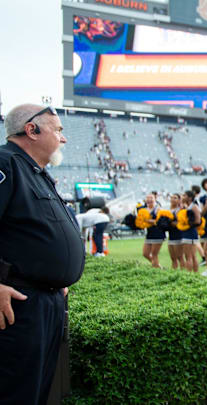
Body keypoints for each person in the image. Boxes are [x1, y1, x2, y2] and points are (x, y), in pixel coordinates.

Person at [0, 104, 85, 404]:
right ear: (31, 129)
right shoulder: (6, 163)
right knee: (16, 393)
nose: (63, 139)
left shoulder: (36, 172)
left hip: (44, 302)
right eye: (58, 130)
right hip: (19, 305)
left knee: (36, 392)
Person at [137, 193, 164, 268]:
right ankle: (158, 267)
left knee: (154, 254)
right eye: (147, 198)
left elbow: (158, 221)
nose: (149, 200)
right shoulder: (144, 209)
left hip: (157, 233)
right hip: (149, 233)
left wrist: (146, 220)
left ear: (155, 199)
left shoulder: (158, 209)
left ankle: (156, 269)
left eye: (151, 198)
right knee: (145, 253)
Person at [167, 193, 185, 269]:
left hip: (178, 234)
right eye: (171, 198)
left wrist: (170, 222)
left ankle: (183, 274)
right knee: (173, 258)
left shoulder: (180, 209)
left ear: (179, 200)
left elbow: (180, 222)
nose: (172, 199)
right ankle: (173, 274)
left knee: (180, 257)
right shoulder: (169, 210)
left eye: (175, 198)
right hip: (171, 235)